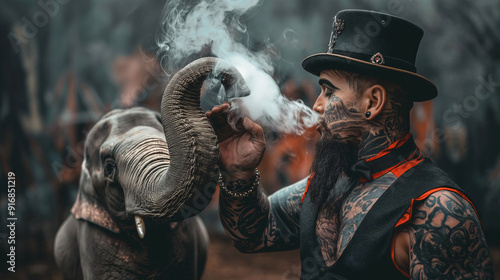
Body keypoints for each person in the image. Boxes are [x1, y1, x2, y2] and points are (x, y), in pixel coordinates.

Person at [206, 9, 493, 279]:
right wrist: (238, 173)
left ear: (374, 102)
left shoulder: (439, 211)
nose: (317, 105)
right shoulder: (328, 183)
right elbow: (254, 233)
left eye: (329, 92)